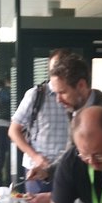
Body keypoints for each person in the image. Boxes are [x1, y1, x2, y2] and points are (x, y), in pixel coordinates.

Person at [8, 49, 72, 194]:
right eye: (55, 66)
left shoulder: (75, 96)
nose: (58, 70)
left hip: (66, 168)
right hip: (38, 171)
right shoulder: (36, 95)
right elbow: (13, 130)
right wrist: (36, 157)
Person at [48, 53, 102, 132]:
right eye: (56, 93)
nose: (58, 99)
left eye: (62, 92)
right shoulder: (73, 109)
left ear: (81, 85)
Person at [0, 78, 11, 185]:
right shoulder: (7, 93)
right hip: (7, 124)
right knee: (6, 150)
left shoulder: (1, 94)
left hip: (2, 124)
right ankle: (5, 174)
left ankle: (1, 174)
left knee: (2, 151)